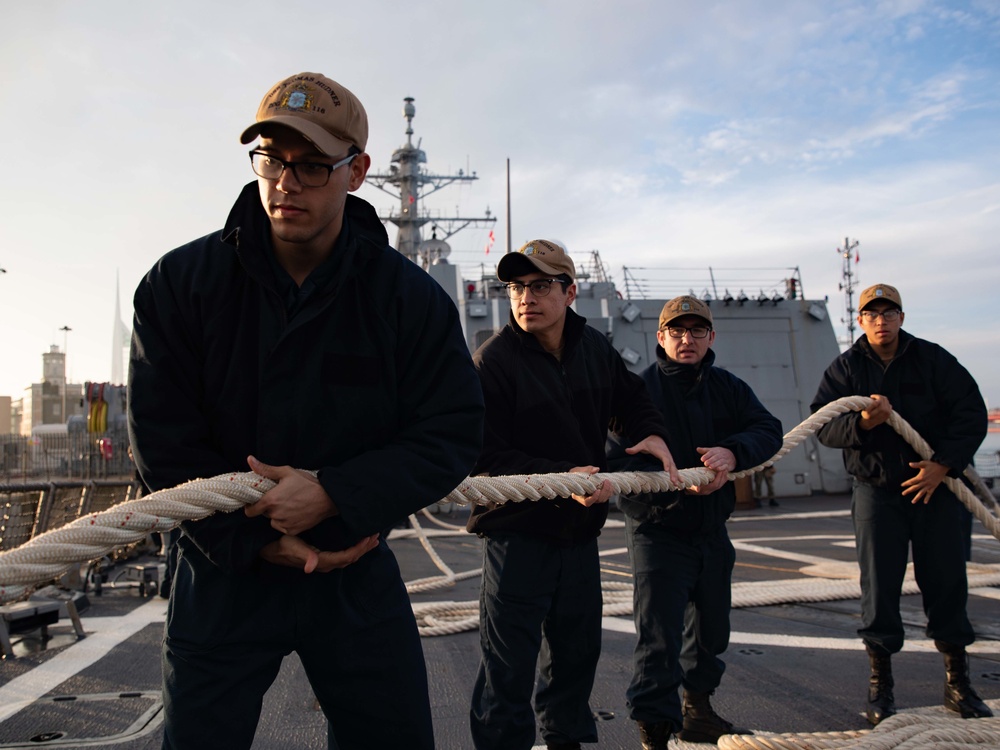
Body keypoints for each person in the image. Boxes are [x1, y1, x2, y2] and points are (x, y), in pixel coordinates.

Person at [128, 72, 484, 749]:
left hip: (351, 565)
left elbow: (452, 430)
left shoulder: (407, 300)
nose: (287, 182)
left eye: (314, 165)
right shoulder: (180, 284)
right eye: (271, 158)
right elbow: (162, 440)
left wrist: (333, 495)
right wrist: (256, 537)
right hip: (222, 571)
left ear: (357, 172)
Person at [466, 239, 680, 750]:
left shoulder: (594, 349)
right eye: (517, 287)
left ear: (570, 292)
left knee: (576, 658)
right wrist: (565, 477)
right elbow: (481, 457)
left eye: (540, 286)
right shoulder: (492, 362)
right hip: (515, 538)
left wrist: (646, 431)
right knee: (507, 670)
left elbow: (631, 399)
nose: (525, 298)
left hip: (578, 537)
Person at [811, 283, 991, 726]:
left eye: (888, 313)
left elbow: (970, 414)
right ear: (861, 321)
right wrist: (864, 423)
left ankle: (958, 683)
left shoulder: (934, 360)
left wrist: (942, 466)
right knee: (880, 588)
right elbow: (824, 428)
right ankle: (881, 686)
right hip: (877, 492)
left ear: (901, 318)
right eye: (872, 314)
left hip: (936, 491)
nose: (880, 321)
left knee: (947, 582)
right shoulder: (845, 369)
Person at [609, 296, 782, 748]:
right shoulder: (635, 394)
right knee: (659, 639)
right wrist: (674, 488)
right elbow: (615, 463)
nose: (687, 340)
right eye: (677, 331)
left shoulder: (728, 387)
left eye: (697, 331)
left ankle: (698, 712)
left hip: (711, 531)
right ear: (661, 338)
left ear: (711, 338)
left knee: (711, 631)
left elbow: (768, 429)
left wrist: (733, 450)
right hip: (657, 532)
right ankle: (654, 734)